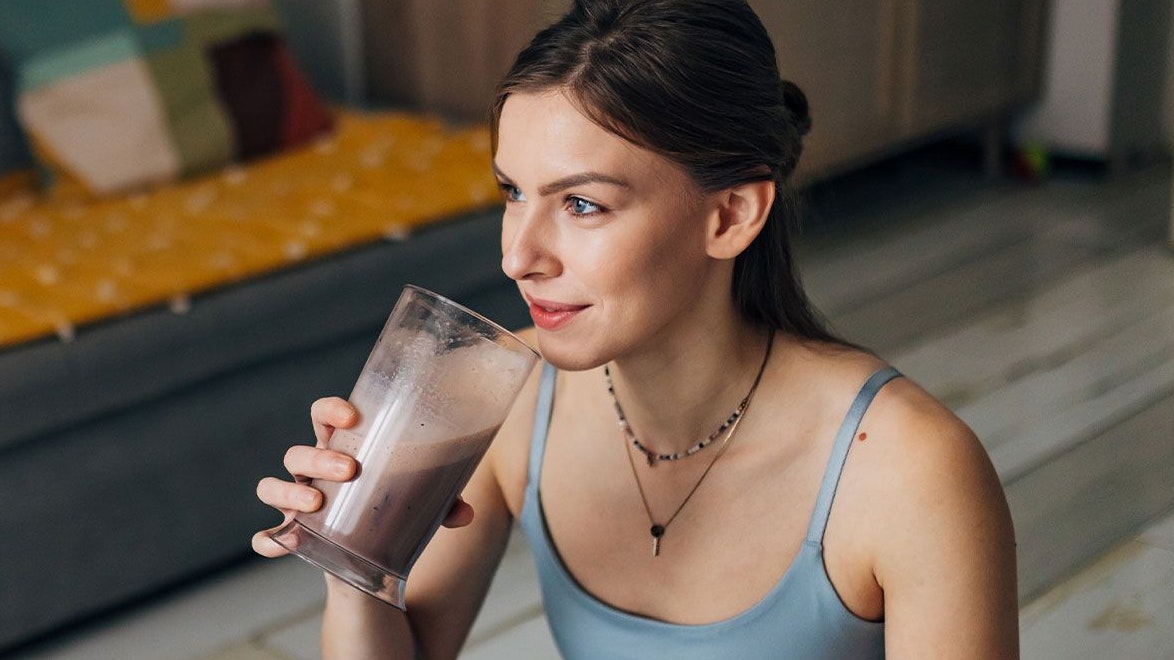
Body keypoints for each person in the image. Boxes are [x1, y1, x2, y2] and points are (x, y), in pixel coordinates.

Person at [252, 0, 1019, 657]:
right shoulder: (508, 403)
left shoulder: (909, 472)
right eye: (513, 192)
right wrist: (353, 561)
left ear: (731, 215)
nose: (519, 255)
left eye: (582, 204)